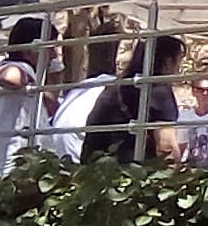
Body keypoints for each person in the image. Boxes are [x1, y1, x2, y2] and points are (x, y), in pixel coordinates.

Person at [81, 32, 190, 163]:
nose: (179, 67)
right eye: (179, 59)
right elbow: (166, 148)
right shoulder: (157, 90)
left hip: (94, 166)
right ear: (168, 61)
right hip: (125, 168)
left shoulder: (118, 85)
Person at [0, 16, 49, 173]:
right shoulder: (19, 68)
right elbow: (9, 76)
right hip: (13, 170)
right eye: (51, 48)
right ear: (33, 49)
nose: (54, 55)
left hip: (4, 168)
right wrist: (27, 79)